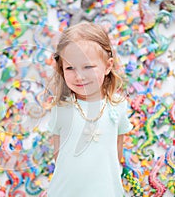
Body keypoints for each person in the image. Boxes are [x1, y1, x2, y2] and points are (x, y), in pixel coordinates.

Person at [46, 22, 133, 197]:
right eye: (70, 68)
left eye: (88, 67)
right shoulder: (61, 108)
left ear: (108, 66)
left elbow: (117, 150)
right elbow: (58, 153)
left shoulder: (118, 106)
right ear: (62, 69)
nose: (79, 76)